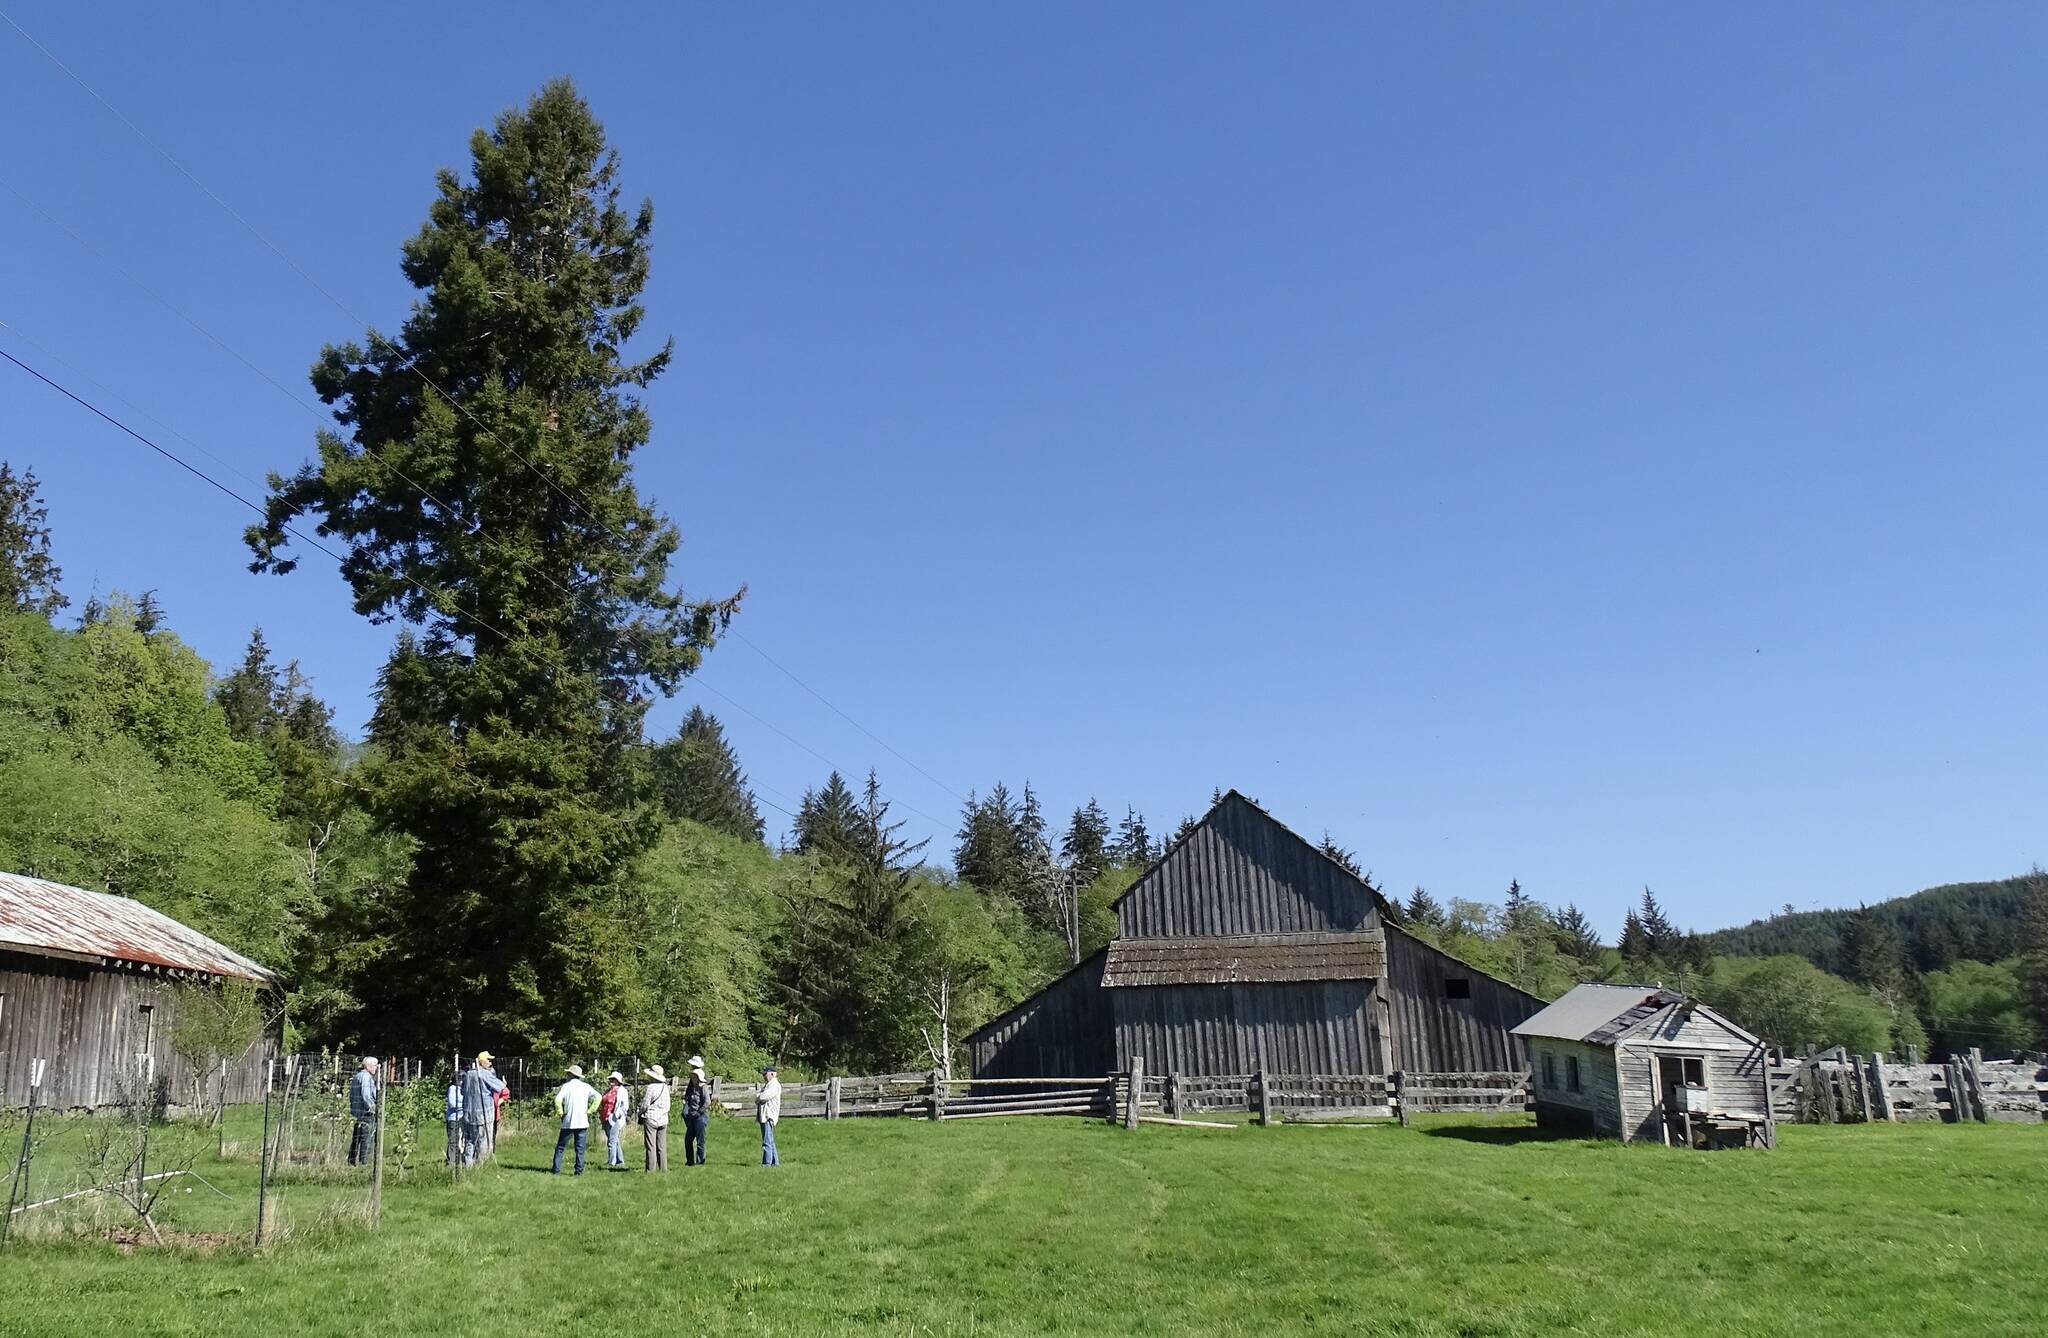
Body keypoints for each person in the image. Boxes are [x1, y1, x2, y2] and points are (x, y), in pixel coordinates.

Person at [460, 1051, 506, 1166]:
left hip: (468, 1113)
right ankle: (481, 1165)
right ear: (481, 1061)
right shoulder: (484, 1074)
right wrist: (503, 1083)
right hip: (483, 1113)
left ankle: (468, 1164)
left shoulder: (468, 1074)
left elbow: (462, 1091)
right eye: (488, 1060)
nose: (490, 1062)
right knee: (483, 1140)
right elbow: (500, 1087)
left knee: (470, 1140)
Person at [552, 1064, 599, 1175]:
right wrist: (590, 1110)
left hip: (568, 1121)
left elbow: (557, 1100)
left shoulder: (566, 1086)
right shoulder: (586, 1086)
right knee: (580, 1149)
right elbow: (598, 1097)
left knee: (560, 1148)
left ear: (571, 1075)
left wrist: (560, 1113)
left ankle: (556, 1170)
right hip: (582, 1121)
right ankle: (579, 1171)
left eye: (568, 1073)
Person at [346, 1056, 380, 1166]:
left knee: (356, 1137)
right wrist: (373, 1108)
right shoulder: (366, 1077)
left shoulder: (357, 1076)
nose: (376, 1068)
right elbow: (366, 1095)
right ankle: (363, 1162)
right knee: (366, 1137)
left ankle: (351, 1160)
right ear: (368, 1066)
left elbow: (351, 1095)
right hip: (366, 1111)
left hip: (357, 1111)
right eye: (375, 1065)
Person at [640, 1064, 671, 1172]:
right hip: (663, 1119)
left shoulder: (651, 1088)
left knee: (651, 1146)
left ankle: (650, 1170)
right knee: (662, 1146)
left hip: (651, 1118)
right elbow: (668, 1105)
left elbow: (645, 1104)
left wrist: (641, 1113)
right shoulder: (665, 1088)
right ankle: (663, 1168)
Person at [599, 1071, 631, 1168]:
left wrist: (617, 1115)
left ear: (618, 1081)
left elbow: (624, 1105)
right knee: (614, 1140)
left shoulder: (622, 1091)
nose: (611, 1081)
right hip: (605, 1117)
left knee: (611, 1141)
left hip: (614, 1118)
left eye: (614, 1079)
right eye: (611, 1079)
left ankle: (611, 1162)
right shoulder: (607, 1091)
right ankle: (620, 1161)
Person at [682, 1056, 709, 1166]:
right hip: (692, 1116)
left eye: (693, 1077)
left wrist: (699, 1112)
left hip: (700, 1117)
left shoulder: (703, 1087)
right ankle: (689, 1161)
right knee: (688, 1140)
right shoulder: (692, 1086)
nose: (692, 1078)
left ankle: (700, 1161)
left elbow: (707, 1102)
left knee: (700, 1141)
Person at [756, 1063, 781, 1167]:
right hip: (765, 1115)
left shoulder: (774, 1085)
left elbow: (763, 1096)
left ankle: (767, 1163)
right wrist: (759, 1096)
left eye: (765, 1074)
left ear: (772, 1074)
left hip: (768, 1116)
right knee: (770, 1140)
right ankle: (775, 1162)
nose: (764, 1076)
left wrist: (758, 1097)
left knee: (767, 1141)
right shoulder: (769, 1085)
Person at [444, 1073, 465, 1166]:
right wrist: (464, 1106)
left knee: (462, 1139)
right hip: (453, 1118)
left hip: (463, 1117)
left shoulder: (463, 1090)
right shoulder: (452, 1089)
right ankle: (451, 1161)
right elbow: (453, 1103)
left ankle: (460, 1158)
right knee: (453, 1139)